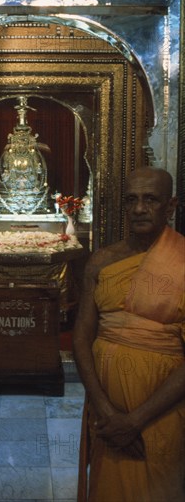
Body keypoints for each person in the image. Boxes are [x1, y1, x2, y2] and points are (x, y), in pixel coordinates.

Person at [73, 166, 185, 501]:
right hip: (106, 413)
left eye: (150, 200)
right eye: (132, 199)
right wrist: (106, 410)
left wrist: (135, 420)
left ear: (171, 207)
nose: (139, 208)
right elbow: (81, 337)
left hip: (159, 415)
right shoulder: (102, 261)